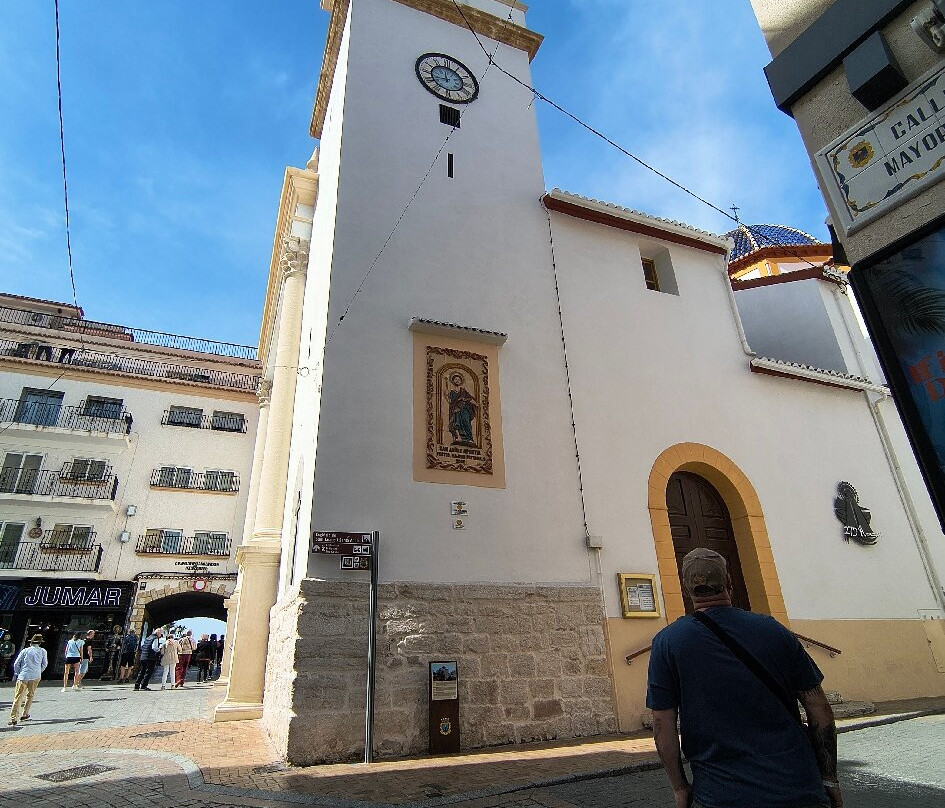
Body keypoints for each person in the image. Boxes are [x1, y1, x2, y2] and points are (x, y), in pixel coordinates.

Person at [647, 548, 841, 808]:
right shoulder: (773, 630)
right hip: (798, 788)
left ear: (685, 588)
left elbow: (662, 725)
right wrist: (829, 778)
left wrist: (680, 789)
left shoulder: (668, 643)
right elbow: (819, 708)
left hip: (721, 795)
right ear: (728, 581)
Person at [9, 634, 47, 725]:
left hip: (23, 676)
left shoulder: (25, 651)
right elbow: (44, 664)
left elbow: (16, 664)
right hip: (36, 676)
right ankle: (25, 713)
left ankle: (14, 717)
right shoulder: (42, 651)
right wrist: (38, 671)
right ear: (40, 643)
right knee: (30, 695)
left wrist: (19, 673)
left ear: (31, 642)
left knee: (18, 696)